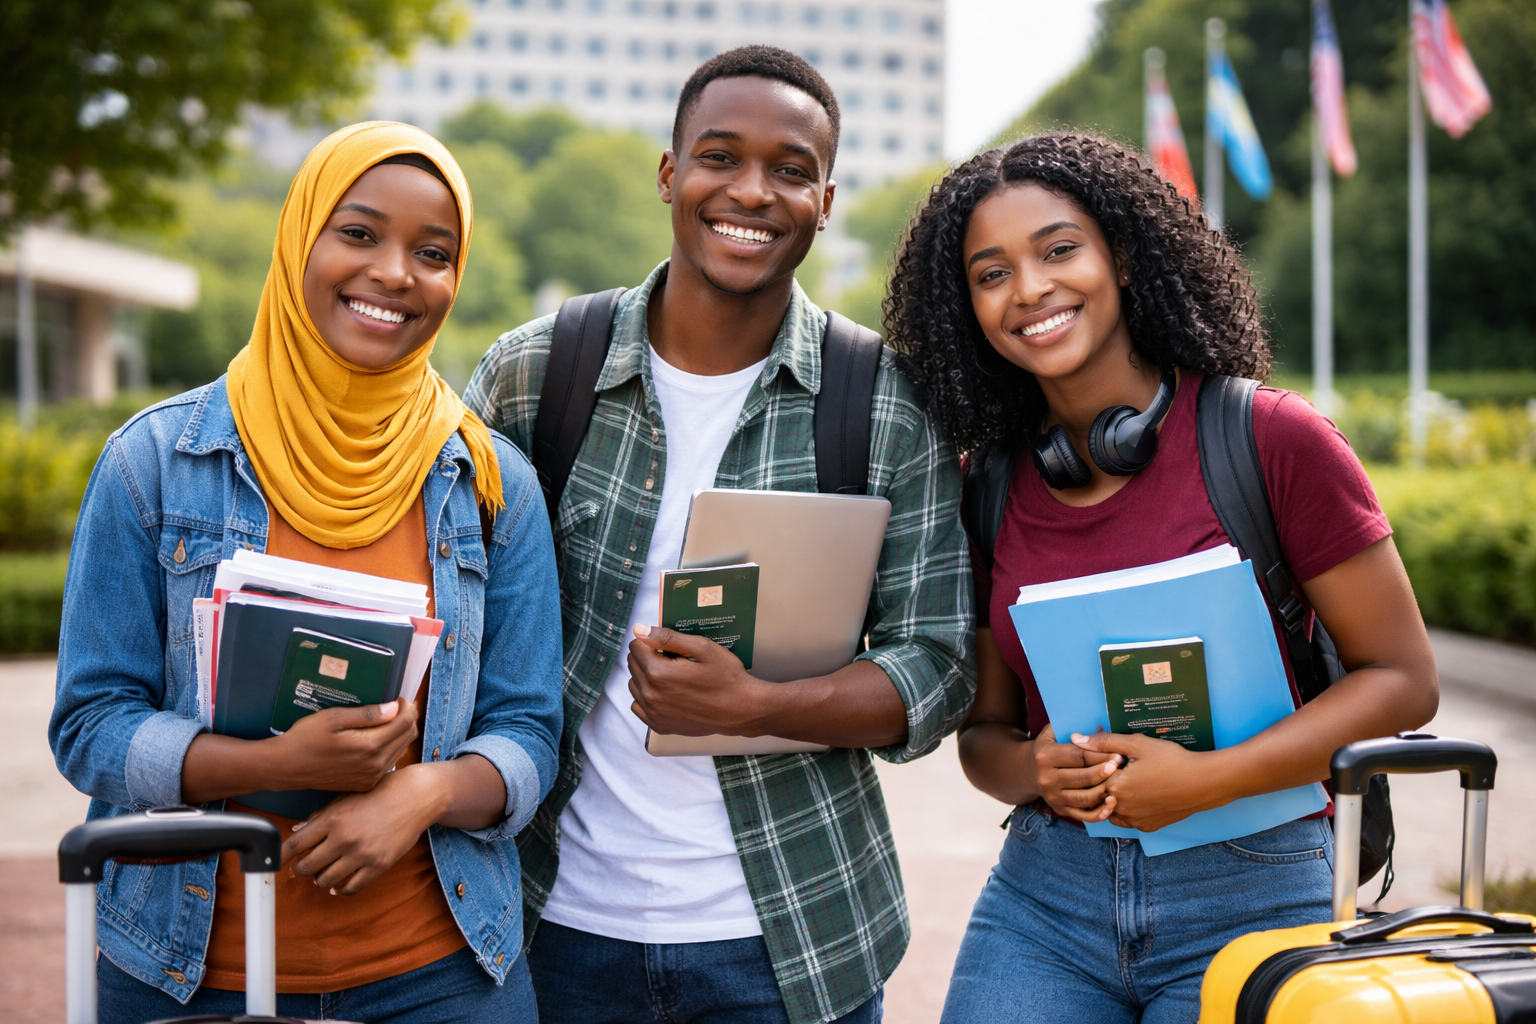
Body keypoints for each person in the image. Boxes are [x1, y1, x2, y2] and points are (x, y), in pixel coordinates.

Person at [464, 45, 974, 1024]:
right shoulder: (538, 374)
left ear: (825, 201)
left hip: (795, 936)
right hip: (549, 924)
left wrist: (758, 703)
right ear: (669, 173)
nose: (752, 190)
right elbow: (454, 608)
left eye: (790, 170)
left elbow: (941, 665)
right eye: (719, 156)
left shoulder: (883, 402)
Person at [883, 132, 1440, 1023]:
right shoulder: (985, 483)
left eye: (1059, 250)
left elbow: (1405, 681)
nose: (1028, 289)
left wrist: (1210, 779)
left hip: (1256, 889)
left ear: (1126, 258)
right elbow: (984, 740)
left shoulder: (1271, 440)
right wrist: (1037, 769)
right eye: (991, 274)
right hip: (1046, 900)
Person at [50, 122, 563, 1024]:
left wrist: (424, 792)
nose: (396, 273)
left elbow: (527, 730)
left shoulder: (488, 482)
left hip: (442, 980)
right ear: (299, 242)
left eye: (433, 253)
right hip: (188, 978)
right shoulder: (155, 463)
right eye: (358, 233)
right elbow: (90, 727)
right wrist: (265, 763)